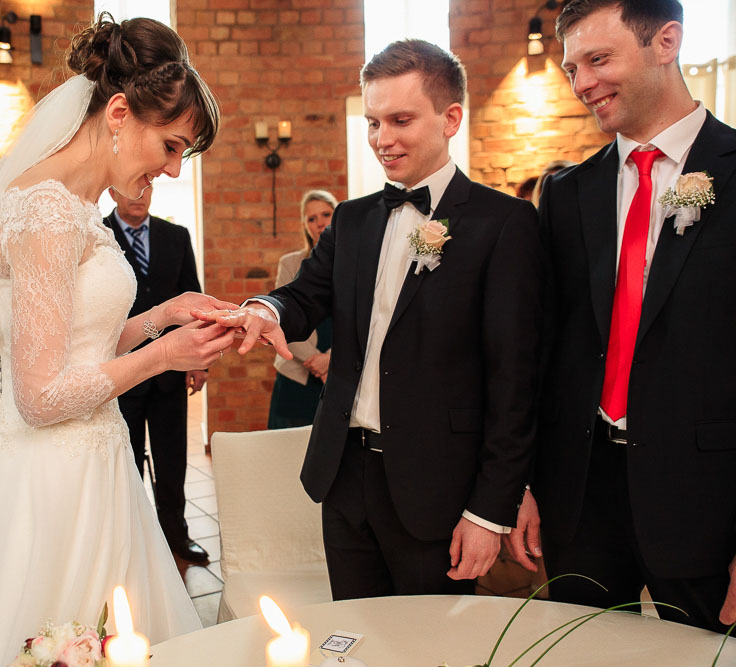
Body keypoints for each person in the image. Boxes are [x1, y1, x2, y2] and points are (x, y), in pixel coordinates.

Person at [0, 14, 234, 664]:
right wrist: (163, 356)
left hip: (97, 467)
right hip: (51, 488)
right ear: (119, 112)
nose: (173, 170)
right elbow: (39, 394)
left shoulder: (72, 205)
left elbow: (83, 341)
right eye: (171, 146)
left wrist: (167, 311)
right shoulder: (51, 213)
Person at [199, 40, 544, 600]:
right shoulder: (354, 219)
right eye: (374, 121)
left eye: (401, 120)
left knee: (430, 646)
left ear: (450, 118)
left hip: (438, 483)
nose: (383, 139)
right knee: (356, 633)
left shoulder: (504, 224)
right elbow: (304, 294)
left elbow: (515, 381)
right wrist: (264, 309)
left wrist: (489, 508)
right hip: (345, 475)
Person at [505, 0, 736, 634]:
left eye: (598, 60)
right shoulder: (567, 193)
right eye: (572, 68)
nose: (581, 85)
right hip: (580, 497)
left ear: (666, 42)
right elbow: (543, 353)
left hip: (706, 500)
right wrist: (523, 484)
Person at [104, 184, 210, 564]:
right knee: (126, 458)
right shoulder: (99, 235)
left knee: (172, 457)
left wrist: (199, 361)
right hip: (121, 369)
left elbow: (193, 296)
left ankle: (176, 535)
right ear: (113, 192)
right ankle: (132, 540)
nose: (139, 194)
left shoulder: (175, 236)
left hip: (170, 371)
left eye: (146, 187)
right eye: (131, 188)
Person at [267, 190, 336, 429]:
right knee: (288, 452)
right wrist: (315, 362)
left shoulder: (356, 264)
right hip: (296, 371)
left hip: (340, 369)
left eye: (326, 214)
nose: (320, 224)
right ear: (305, 225)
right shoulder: (290, 263)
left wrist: (332, 359)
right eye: (311, 218)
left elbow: (363, 318)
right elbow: (281, 318)